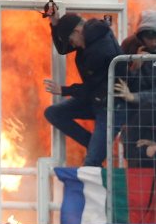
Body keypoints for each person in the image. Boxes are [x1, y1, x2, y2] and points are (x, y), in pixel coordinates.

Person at [44, 12, 122, 167]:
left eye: (72, 41)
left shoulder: (100, 50)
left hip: (111, 106)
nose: (72, 46)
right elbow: (63, 48)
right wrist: (55, 24)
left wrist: (64, 90)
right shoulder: (89, 36)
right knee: (53, 113)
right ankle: (94, 145)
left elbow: (92, 88)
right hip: (96, 99)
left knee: (92, 162)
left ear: (78, 32)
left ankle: (97, 154)